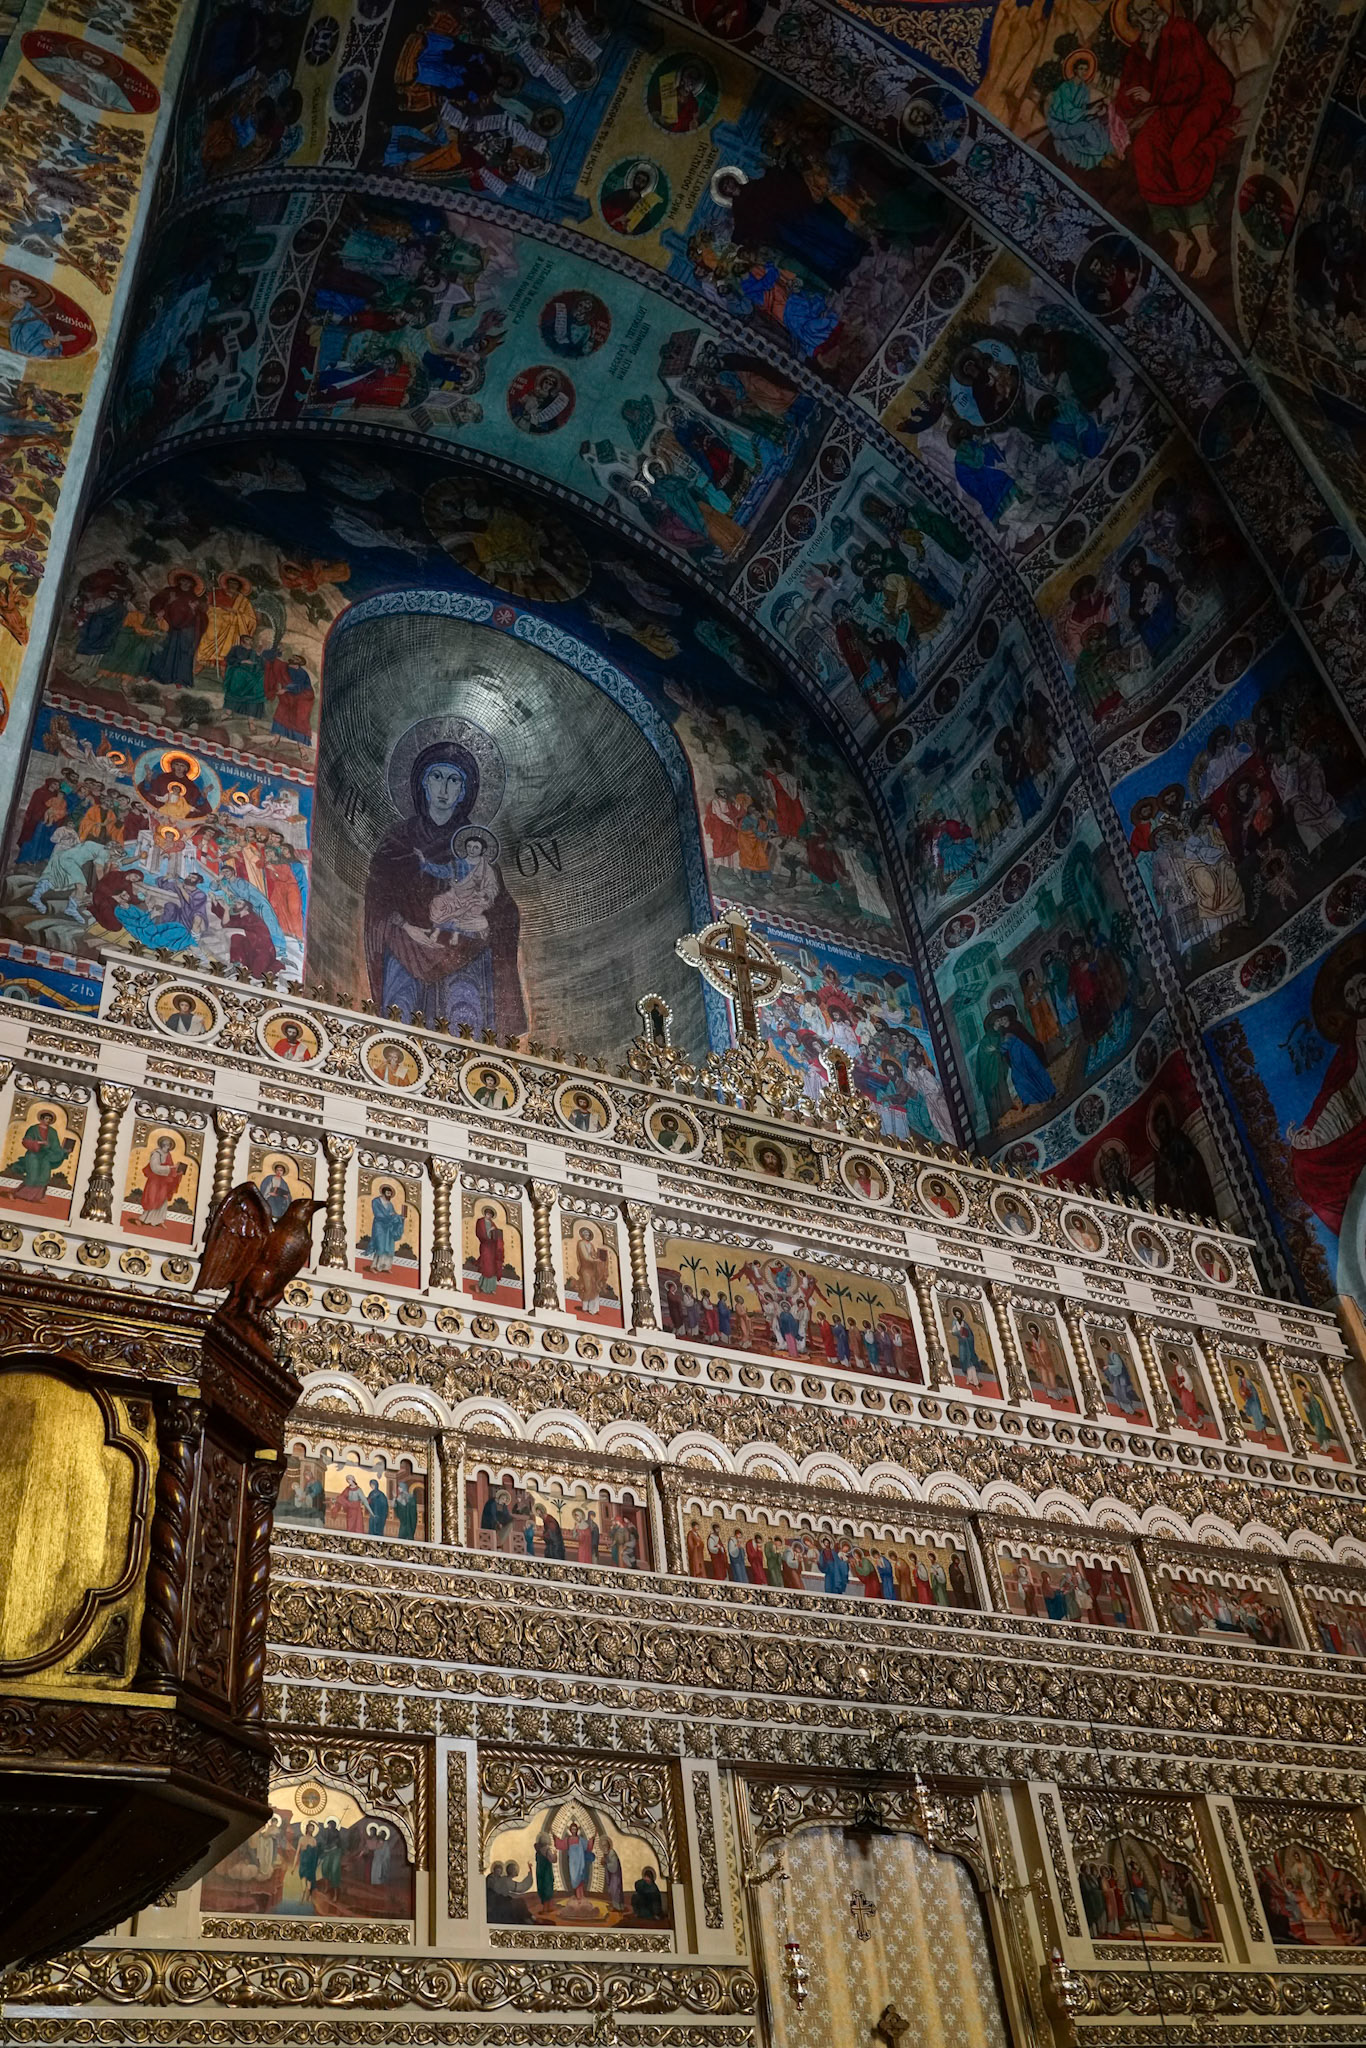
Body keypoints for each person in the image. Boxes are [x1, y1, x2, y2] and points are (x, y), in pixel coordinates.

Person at [363, 741, 525, 1031]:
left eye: (454, 781)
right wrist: (405, 926)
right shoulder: (399, 839)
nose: (444, 789)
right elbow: (378, 897)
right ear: (423, 783)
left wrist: (485, 920)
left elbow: (504, 909)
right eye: (436, 777)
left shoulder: (477, 851)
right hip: (406, 947)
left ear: (463, 792)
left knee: (464, 1019)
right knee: (400, 1021)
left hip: (465, 952)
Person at [4, 1108, 74, 1204]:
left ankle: (35, 1197)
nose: (48, 1121)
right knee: (32, 1177)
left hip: (46, 1157)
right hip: (33, 1155)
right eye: (46, 1118)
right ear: (41, 1119)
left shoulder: (53, 1132)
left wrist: (65, 1151)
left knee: (44, 1177)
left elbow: (56, 1147)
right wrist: (39, 1142)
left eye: (50, 1119)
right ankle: (14, 1194)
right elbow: (26, 1141)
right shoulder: (33, 1129)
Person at [136, 1132, 185, 1227]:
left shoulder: (168, 1155)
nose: (168, 1147)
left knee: (163, 1200)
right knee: (153, 1199)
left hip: (164, 1182)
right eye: (166, 1145)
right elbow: (155, 1168)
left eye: (169, 1145)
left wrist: (178, 1171)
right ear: (162, 1145)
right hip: (155, 1181)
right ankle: (142, 1219)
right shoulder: (156, 1154)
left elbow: (171, 1169)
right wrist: (170, 1168)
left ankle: (159, 1220)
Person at [366, 1184, 404, 1272]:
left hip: (389, 1228)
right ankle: (374, 1266)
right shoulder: (376, 1201)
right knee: (380, 1245)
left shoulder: (390, 1204)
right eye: (387, 1193)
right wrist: (389, 1216)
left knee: (389, 1246)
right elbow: (377, 1213)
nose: (389, 1195)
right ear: (383, 1193)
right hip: (379, 1225)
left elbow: (393, 1213)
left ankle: (385, 1266)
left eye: (390, 1194)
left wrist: (399, 1217)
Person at [554, 1822, 596, 1900]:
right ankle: (577, 1896)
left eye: (575, 1829)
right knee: (574, 1877)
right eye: (572, 1829)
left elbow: (588, 1846)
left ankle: (581, 1895)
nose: (574, 1830)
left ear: (577, 1830)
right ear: (570, 1830)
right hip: (572, 1862)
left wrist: (593, 1838)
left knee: (581, 1876)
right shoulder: (568, 1840)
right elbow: (561, 1844)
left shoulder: (580, 1839)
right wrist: (554, 1836)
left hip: (580, 1861)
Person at [474, 1205, 504, 1294]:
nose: (489, 1216)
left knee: (493, 1266)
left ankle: (491, 1288)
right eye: (488, 1214)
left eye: (490, 1215)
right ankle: (480, 1285)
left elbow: (496, 1234)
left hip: (492, 1247)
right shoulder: (480, 1222)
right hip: (485, 1246)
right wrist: (489, 1231)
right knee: (486, 1266)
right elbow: (480, 1233)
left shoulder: (492, 1223)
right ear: (485, 1214)